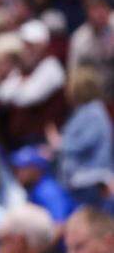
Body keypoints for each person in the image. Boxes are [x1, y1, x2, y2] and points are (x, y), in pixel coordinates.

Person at [47, 64, 113, 206]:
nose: (66, 92)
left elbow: (86, 142)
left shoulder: (94, 112)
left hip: (90, 179)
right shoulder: (82, 112)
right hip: (78, 180)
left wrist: (59, 143)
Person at [9, 146, 75, 223]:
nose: (18, 174)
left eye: (22, 169)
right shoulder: (34, 190)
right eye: (16, 170)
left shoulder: (48, 190)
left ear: (35, 168)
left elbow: (60, 224)